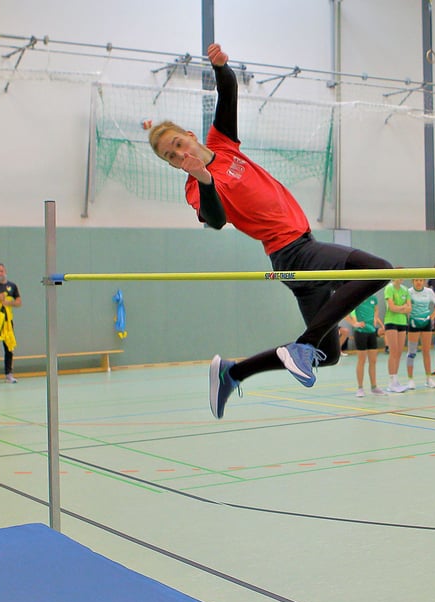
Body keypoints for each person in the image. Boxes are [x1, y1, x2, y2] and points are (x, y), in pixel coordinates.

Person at [144, 43, 392, 418]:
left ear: (191, 136)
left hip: (302, 247)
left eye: (178, 144)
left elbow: (228, 93)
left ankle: (233, 373)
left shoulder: (222, 144)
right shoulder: (195, 187)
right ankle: (303, 345)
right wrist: (205, 180)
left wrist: (221, 68)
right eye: (170, 156)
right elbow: (215, 220)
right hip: (292, 253)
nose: (179, 154)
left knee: (329, 355)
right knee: (378, 270)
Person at [347, 294, 385, 397]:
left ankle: (374, 387)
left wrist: (375, 318)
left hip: (371, 332)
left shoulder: (374, 298)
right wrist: (354, 323)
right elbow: (345, 314)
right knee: (362, 360)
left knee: (373, 361)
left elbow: (376, 310)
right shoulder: (357, 298)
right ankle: (360, 388)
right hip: (360, 332)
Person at [406, 278, 435, 389]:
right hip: (413, 322)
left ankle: (428, 379)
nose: (418, 282)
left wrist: (432, 317)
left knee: (426, 351)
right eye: (416, 280)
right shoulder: (408, 292)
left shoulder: (429, 292)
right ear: (412, 281)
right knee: (412, 352)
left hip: (426, 323)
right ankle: (410, 379)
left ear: (424, 282)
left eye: (421, 280)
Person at [383, 277, 410, 393]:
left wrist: (400, 308)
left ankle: (395, 380)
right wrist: (402, 307)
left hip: (402, 322)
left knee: (399, 352)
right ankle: (391, 382)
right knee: (393, 351)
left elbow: (409, 308)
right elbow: (392, 307)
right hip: (391, 322)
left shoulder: (405, 290)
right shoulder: (389, 288)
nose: (400, 279)